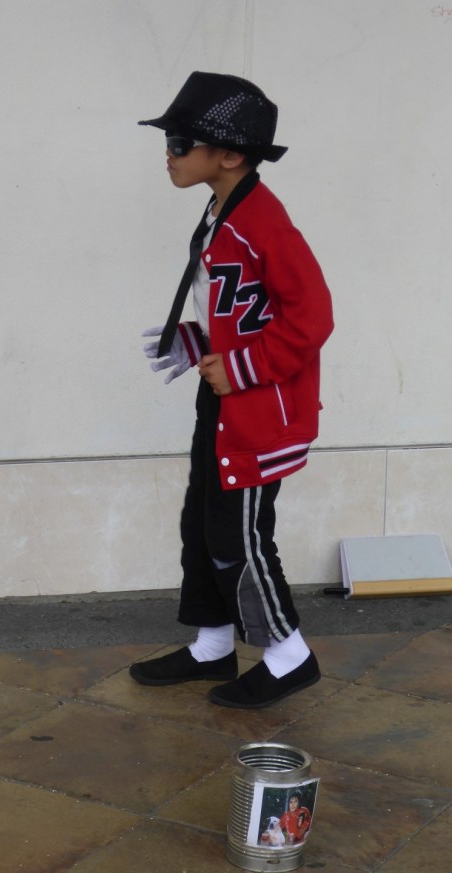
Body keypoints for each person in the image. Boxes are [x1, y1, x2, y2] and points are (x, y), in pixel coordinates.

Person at [129, 72, 334, 708]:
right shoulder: (223, 209)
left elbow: (313, 315)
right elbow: (243, 309)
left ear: (231, 155)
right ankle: (213, 645)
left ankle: (288, 654)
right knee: (202, 522)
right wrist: (199, 342)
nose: (169, 151)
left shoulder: (264, 225)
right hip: (226, 401)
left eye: (180, 140)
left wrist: (242, 368)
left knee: (240, 537)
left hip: (259, 410)